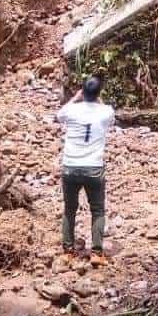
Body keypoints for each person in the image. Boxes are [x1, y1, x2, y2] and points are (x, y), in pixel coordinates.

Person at [56, 75, 115, 265]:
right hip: (93, 168)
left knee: (69, 209)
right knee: (97, 210)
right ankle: (97, 252)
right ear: (99, 93)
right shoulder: (106, 111)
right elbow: (109, 117)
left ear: (82, 91)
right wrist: (97, 98)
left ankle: (68, 251)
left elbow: (59, 115)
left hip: (70, 167)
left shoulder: (71, 110)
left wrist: (76, 97)